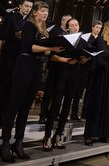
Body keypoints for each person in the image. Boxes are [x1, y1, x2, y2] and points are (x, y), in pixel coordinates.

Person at [0, 1, 62, 162]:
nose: (45, 14)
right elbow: (29, 47)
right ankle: (5, 143)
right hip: (24, 64)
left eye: (47, 11)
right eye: (42, 11)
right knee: (14, 104)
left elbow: (44, 51)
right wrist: (51, 49)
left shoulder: (44, 31)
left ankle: (18, 143)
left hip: (36, 67)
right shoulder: (29, 25)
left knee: (26, 106)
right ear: (34, 12)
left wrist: (52, 49)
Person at [42, 18, 87, 151]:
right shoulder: (63, 39)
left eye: (76, 25)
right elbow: (53, 56)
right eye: (72, 25)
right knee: (56, 105)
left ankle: (58, 135)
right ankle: (47, 136)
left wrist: (85, 59)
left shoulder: (83, 41)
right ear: (67, 28)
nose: (75, 27)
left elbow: (84, 59)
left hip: (75, 75)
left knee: (67, 106)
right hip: (62, 74)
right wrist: (66, 60)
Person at [0, 0, 33, 128]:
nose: (28, 9)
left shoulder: (28, 22)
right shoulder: (11, 17)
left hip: (20, 59)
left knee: (12, 89)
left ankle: (4, 117)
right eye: (26, 6)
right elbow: (1, 34)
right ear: (20, 6)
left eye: (30, 7)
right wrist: (15, 35)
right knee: (2, 87)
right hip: (9, 56)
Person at [38, 14, 72, 123]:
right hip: (53, 63)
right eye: (68, 22)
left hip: (64, 66)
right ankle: (43, 115)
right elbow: (47, 42)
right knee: (49, 91)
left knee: (58, 93)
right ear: (63, 21)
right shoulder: (54, 30)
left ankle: (54, 114)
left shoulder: (69, 34)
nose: (69, 24)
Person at [76, 20, 102, 119]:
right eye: (96, 27)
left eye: (100, 28)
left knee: (89, 92)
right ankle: (74, 112)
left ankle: (85, 113)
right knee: (79, 90)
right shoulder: (86, 37)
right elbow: (81, 49)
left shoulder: (100, 39)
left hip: (94, 67)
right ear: (92, 27)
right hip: (84, 66)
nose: (98, 30)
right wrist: (83, 57)